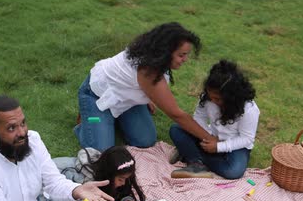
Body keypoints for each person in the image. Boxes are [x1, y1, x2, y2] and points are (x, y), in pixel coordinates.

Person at [75, 22, 216, 152]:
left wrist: (147, 97)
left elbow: (140, 83)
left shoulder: (155, 56)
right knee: (102, 150)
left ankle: (110, 120)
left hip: (125, 99)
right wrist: (211, 139)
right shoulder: (149, 70)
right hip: (98, 98)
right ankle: (88, 119)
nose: (185, 59)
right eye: (181, 55)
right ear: (166, 51)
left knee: (145, 140)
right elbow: (176, 114)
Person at [169, 60, 259, 179]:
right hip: (210, 137)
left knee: (233, 171)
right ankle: (196, 163)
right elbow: (198, 118)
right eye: (211, 97)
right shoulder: (207, 98)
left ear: (231, 97)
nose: (213, 101)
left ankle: (191, 156)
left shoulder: (249, 109)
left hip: (235, 145)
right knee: (176, 129)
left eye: (218, 99)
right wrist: (208, 137)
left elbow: (246, 139)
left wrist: (219, 146)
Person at [72, 146, 146, 201]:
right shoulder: (87, 189)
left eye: (127, 179)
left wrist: (126, 200)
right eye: (120, 179)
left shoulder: (117, 176)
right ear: (108, 176)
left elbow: (121, 192)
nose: (124, 183)